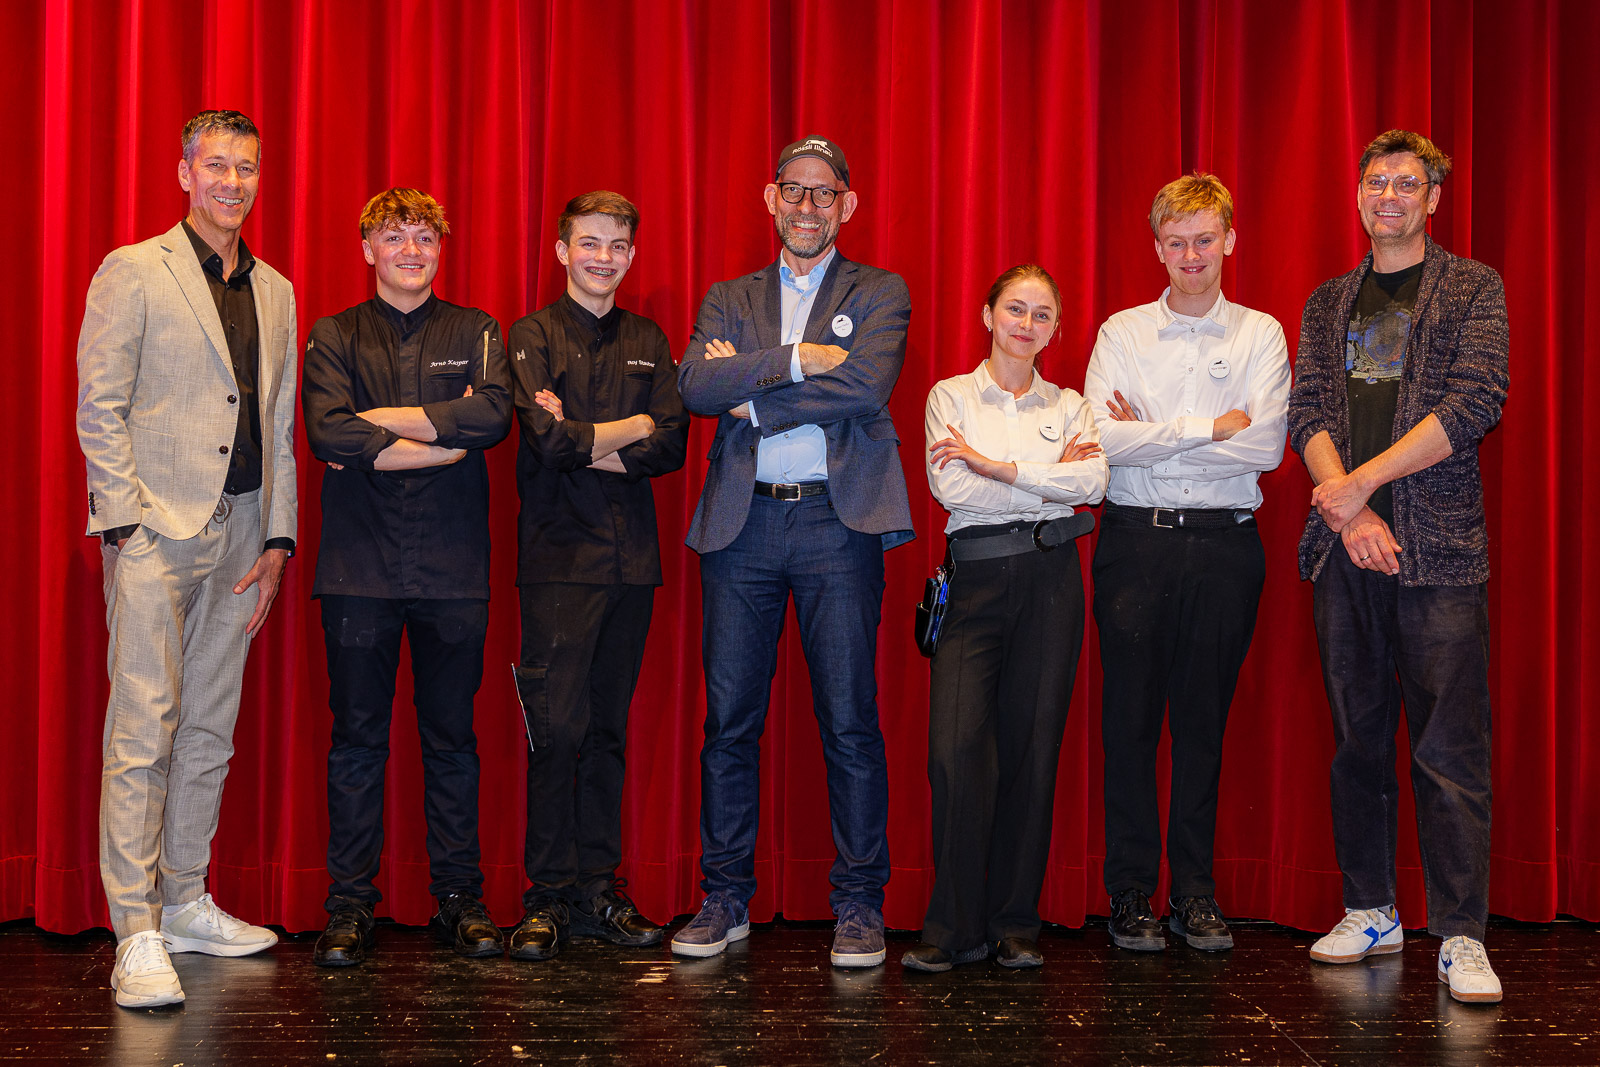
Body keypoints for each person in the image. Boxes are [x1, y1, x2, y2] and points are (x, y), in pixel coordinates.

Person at [672, 136, 914, 967]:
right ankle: (724, 894)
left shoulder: (880, 290)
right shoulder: (729, 297)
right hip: (741, 527)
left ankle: (859, 903)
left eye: (824, 193)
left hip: (836, 526)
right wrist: (798, 360)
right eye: (794, 191)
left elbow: (866, 385)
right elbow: (695, 386)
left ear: (847, 205)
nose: (808, 208)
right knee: (728, 722)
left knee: (849, 720)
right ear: (770, 198)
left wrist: (754, 394)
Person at [76, 109, 297, 1008]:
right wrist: (125, 523)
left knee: (209, 724)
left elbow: (277, 424)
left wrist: (278, 538)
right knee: (143, 728)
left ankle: (185, 901)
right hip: (155, 534)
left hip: (244, 533)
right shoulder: (135, 269)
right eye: (217, 165)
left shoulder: (276, 289)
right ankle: (135, 931)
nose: (232, 182)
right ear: (183, 173)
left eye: (246, 167)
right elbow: (100, 404)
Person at [1289, 130, 1508, 1004]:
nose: (1389, 195)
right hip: (1346, 550)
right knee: (1356, 741)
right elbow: (1308, 409)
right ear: (1358, 195)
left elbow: (1475, 402)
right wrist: (1350, 510)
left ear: (1432, 198)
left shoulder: (1472, 287)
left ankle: (1462, 934)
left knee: (1449, 749)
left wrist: (1360, 487)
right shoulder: (1328, 300)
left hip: (1438, 551)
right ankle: (1370, 908)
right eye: (1376, 181)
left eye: (1406, 183)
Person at [301, 188, 512, 967]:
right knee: (356, 741)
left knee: (451, 739)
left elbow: (492, 417)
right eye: (395, 237)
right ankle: (350, 905)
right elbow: (325, 432)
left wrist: (375, 424)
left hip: (453, 569)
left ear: (441, 248)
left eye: (425, 236)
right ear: (368, 249)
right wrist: (442, 435)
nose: (412, 250)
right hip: (357, 569)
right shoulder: (333, 334)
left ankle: (459, 900)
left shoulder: (477, 328)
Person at [1083, 173, 1290, 953]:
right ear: (1157, 248)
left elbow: (1265, 446)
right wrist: (1208, 427)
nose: (1191, 254)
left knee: (1203, 726)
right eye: (1176, 242)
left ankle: (1194, 892)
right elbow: (1101, 440)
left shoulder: (1260, 334)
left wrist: (1153, 430)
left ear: (1230, 239)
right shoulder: (1122, 332)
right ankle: (1130, 892)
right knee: (1129, 725)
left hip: (1224, 545)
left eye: (1205, 239)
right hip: (1134, 540)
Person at [902, 265, 1107, 973]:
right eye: (1015, 309)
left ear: (1056, 329)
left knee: (1033, 750)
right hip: (975, 580)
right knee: (955, 753)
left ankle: (1015, 922)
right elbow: (950, 485)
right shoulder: (950, 395)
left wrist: (997, 466)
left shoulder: (1072, 405)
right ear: (989, 314)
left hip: (1052, 580)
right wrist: (1045, 477)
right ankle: (952, 927)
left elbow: (1093, 483)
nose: (1026, 323)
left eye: (1041, 314)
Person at [503, 191, 688, 960]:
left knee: (608, 732)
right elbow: (547, 445)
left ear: (632, 255)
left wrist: (588, 435)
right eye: (589, 242)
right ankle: (547, 896)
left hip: (632, 563)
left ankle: (599, 891)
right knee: (556, 732)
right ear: (561, 250)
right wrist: (630, 427)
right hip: (557, 563)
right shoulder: (530, 334)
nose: (603, 257)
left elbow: (671, 445)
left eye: (617, 245)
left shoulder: (648, 338)